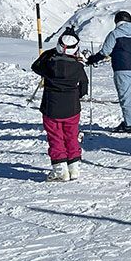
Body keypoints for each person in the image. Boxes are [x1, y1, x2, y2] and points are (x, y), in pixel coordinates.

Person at [32, 29, 88, 182]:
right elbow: (84, 87)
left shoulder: (49, 63)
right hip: (72, 108)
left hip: (51, 107)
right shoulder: (78, 67)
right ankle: (74, 167)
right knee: (71, 135)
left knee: (55, 137)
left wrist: (51, 53)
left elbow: (35, 66)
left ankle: (60, 169)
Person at [86, 11, 131, 132]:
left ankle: (130, 124)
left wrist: (93, 59)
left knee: (124, 96)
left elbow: (105, 51)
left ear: (117, 21)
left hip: (122, 67)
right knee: (128, 94)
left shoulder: (115, 34)